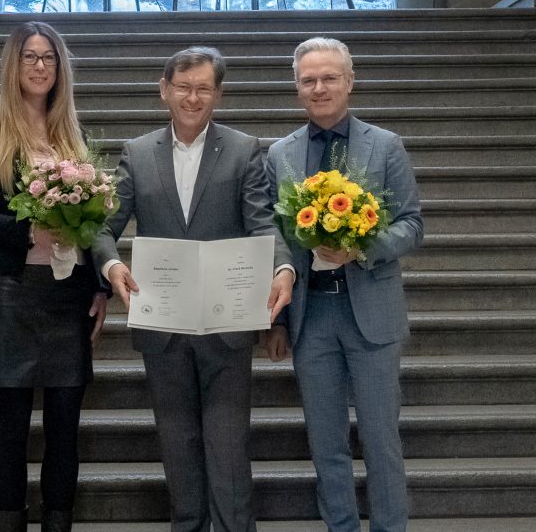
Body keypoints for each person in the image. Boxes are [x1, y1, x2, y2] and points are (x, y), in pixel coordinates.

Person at [92, 46, 295, 532]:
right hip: (162, 327)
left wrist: (284, 269)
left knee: (227, 449)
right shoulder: (138, 153)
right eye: (183, 87)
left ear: (218, 95)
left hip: (227, 325)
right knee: (177, 445)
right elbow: (103, 228)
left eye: (204, 88)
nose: (192, 97)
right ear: (164, 90)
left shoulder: (245, 149)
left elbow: (262, 224)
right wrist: (111, 265)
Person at [265, 37, 423, 532]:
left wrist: (361, 248)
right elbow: (276, 235)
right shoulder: (280, 155)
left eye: (330, 77)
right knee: (326, 442)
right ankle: (341, 527)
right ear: (297, 89)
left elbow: (411, 225)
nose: (320, 87)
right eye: (309, 80)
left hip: (371, 312)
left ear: (349, 82)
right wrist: (280, 305)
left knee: (380, 439)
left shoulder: (386, 145)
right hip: (312, 316)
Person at [0, 21, 107, 532]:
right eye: (30, 57)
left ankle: (58, 524)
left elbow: (94, 225)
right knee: (12, 430)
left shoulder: (76, 135)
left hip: (68, 297)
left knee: (66, 428)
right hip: (10, 293)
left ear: (60, 67)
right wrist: (30, 230)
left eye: (48, 58)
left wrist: (101, 287)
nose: (40, 66)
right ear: (13, 65)